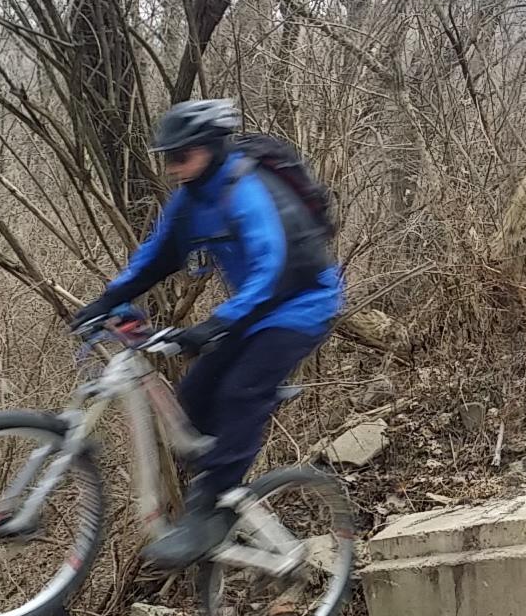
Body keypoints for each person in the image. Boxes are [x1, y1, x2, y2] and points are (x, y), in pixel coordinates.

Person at [69, 100, 343, 567]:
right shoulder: (192, 200)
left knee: (240, 390)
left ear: (213, 148)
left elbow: (270, 268)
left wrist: (213, 325)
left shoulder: (247, 190)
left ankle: (213, 509)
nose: (174, 168)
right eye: (168, 158)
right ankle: (224, 486)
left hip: (302, 305)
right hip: (255, 311)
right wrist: (105, 300)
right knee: (191, 399)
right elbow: (156, 256)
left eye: (182, 156)